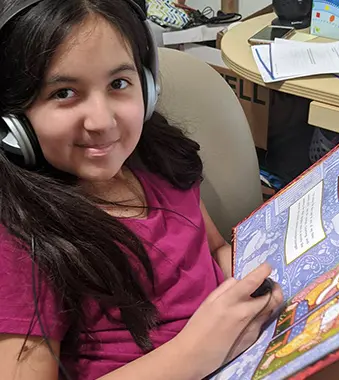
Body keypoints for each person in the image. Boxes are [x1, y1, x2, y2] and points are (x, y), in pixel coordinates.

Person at [0, 1, 283, 379]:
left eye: (119, 84)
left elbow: (214, 247)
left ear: (147, 88)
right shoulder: (22, 238)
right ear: (12, 119)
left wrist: (260, 282)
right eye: (64, 93)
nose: (101, 122)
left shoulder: (160, 161)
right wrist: (197, 351)